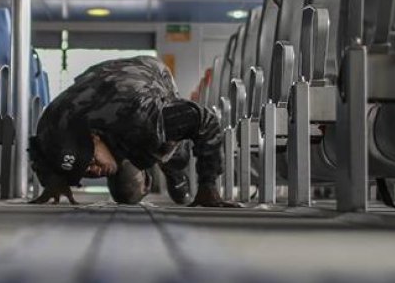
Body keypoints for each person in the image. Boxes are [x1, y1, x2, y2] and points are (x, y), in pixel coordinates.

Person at [29, 55, 238, 207]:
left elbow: (205, 120)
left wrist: (208, 185)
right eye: (83, 170)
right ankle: (137, 160)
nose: (92, 170)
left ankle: (171, 169)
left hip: (150, 74)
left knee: (171, 152)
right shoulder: (51, 127)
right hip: (96, 81)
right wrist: (53, 181)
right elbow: (37, 149)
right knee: (127, 195)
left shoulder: (145, 117)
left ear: (95, 137)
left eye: (91, 161)